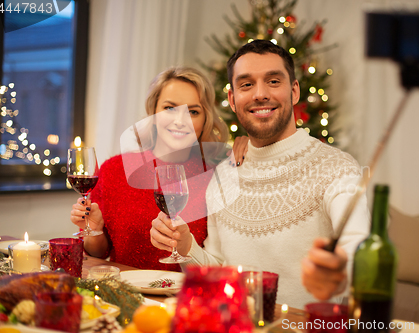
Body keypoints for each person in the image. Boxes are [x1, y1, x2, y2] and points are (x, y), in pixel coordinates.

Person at [150, 40, 370, 308]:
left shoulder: (337, 168)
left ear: (294, 91)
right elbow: (217, 270)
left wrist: (339, 270)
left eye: (273, 81)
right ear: (232, 99)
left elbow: (360, 249)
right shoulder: (222, 176)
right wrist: (186, 247)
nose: (260, 94)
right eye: (246, 84)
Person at [70, 66, 247, 272]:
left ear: (205, 118)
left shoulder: (221, 172)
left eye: (193, 111)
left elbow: (227, 257)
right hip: (125, 296)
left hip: (187, 298)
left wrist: (248, 144)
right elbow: (100, 253)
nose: (180, 121)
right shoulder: (113, 170)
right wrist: (94, 230)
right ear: (152, 112)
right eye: (170, 108)